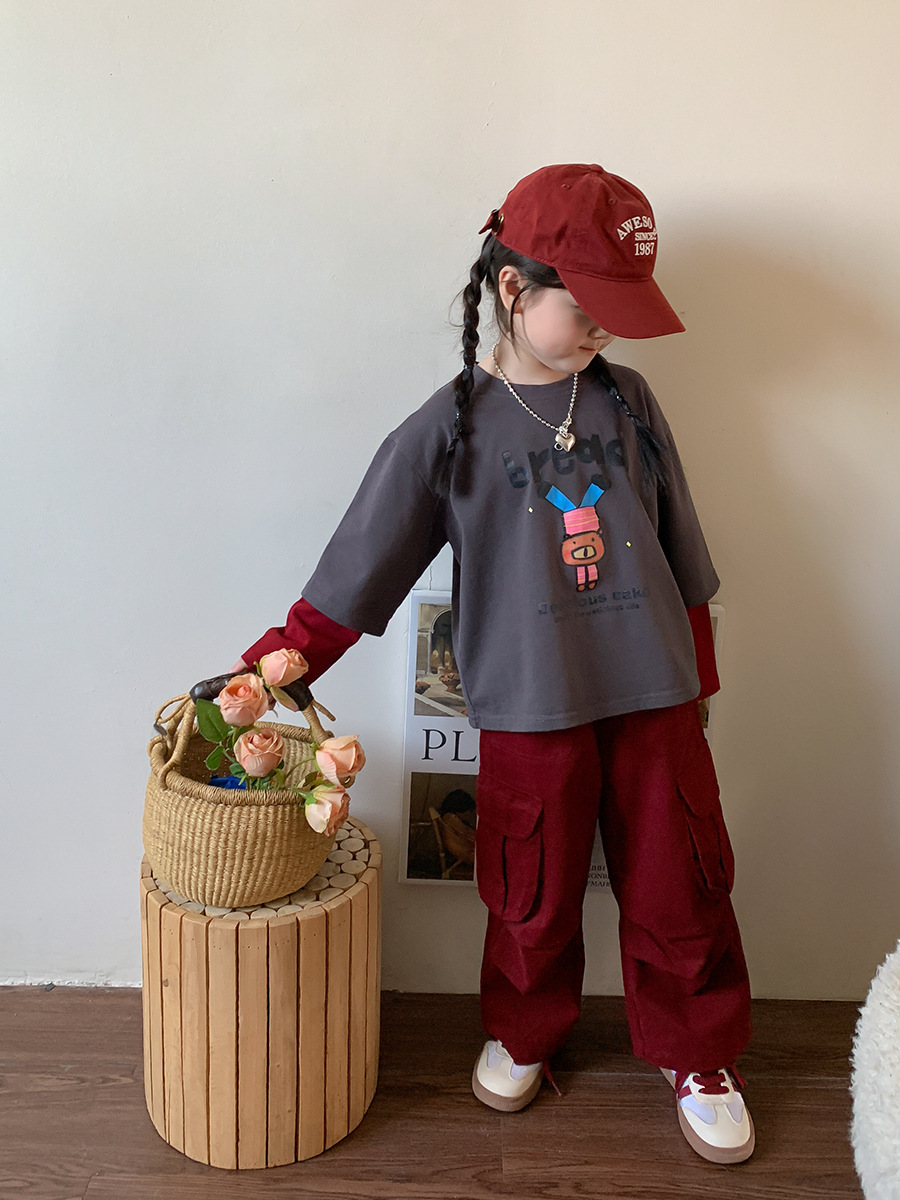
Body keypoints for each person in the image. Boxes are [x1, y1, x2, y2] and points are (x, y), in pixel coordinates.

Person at [227, 164, 754, 1164]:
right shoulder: (453, 425)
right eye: (589, 309)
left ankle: (699, 1052)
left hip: (654, 697)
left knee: (679, 882)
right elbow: (366, 557)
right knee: (529, 890)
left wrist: (701, 683)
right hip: (528, 703)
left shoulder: (629, 400)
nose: (605, 333)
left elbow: (683, 548)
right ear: (514, 288)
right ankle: (526, 1030)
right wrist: (280, 663)